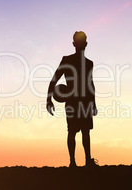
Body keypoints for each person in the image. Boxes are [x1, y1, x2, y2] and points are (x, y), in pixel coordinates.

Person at [47, 31, 99, 168]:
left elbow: (90, 83)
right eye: (79, 42)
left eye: (82, 42)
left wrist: (93, 103)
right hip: (73, 101)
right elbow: (54, 79)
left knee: (84, 132)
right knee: (73, 131)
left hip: (85, 101)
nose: (81, 44)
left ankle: (86, 161)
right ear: (74, 44)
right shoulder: (67, 60)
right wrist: (48, 99)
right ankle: (73, 162)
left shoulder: (89, 63)